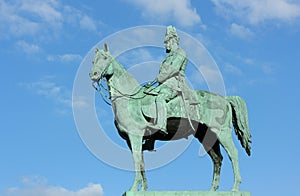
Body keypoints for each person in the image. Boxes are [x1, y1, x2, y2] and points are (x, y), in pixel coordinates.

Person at [145, 25, 192, 134]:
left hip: (175, 84)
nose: (165, 45)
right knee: (148, 97)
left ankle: (161, 125)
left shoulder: (180, 52)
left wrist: (156, 80)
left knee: (160, 98)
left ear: (172, 41)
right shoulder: (169, 57)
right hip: (165, 83)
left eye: (166, 42)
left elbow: (172, 69)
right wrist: (153, 83)